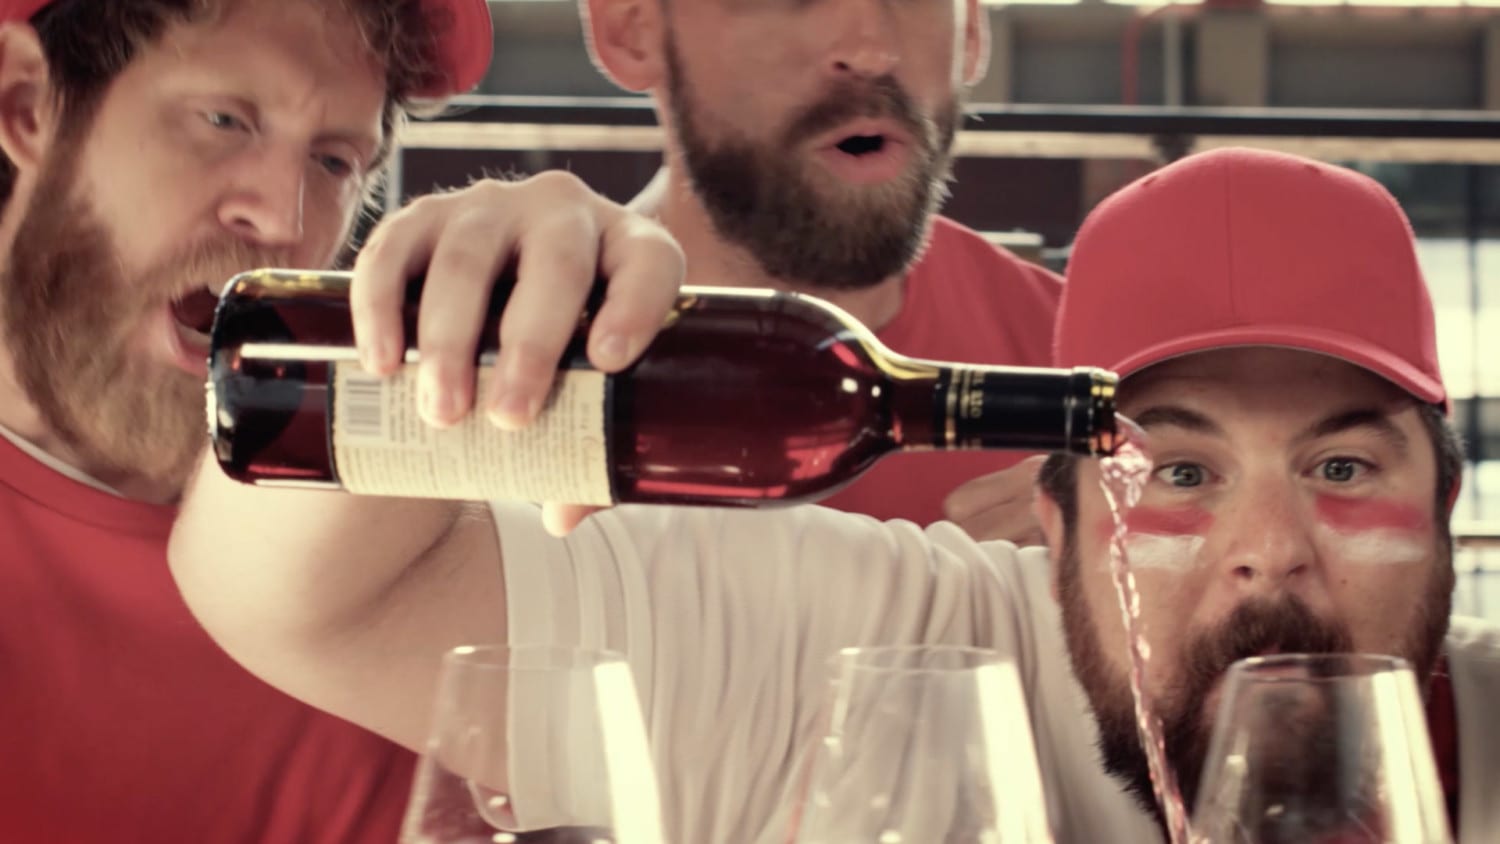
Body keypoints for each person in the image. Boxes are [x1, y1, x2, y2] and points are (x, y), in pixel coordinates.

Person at [169, 147, 1500, 842]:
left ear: (1445, 514)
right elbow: (306, 602)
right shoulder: (888, 656)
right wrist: (441, 329)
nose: (1268, 554)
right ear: (1054, 530)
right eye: (1182, 473)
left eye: (1341, 469)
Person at [0, 1, 687, 840]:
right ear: (24, 107)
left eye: (332, 161)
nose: (285, 222)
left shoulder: (404, 517)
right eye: (224, 120)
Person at [580, 0, 1062, 538]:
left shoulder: (1101, 377)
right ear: (632, 31)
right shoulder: (510, 376)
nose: (871, 52)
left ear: (970, 30)